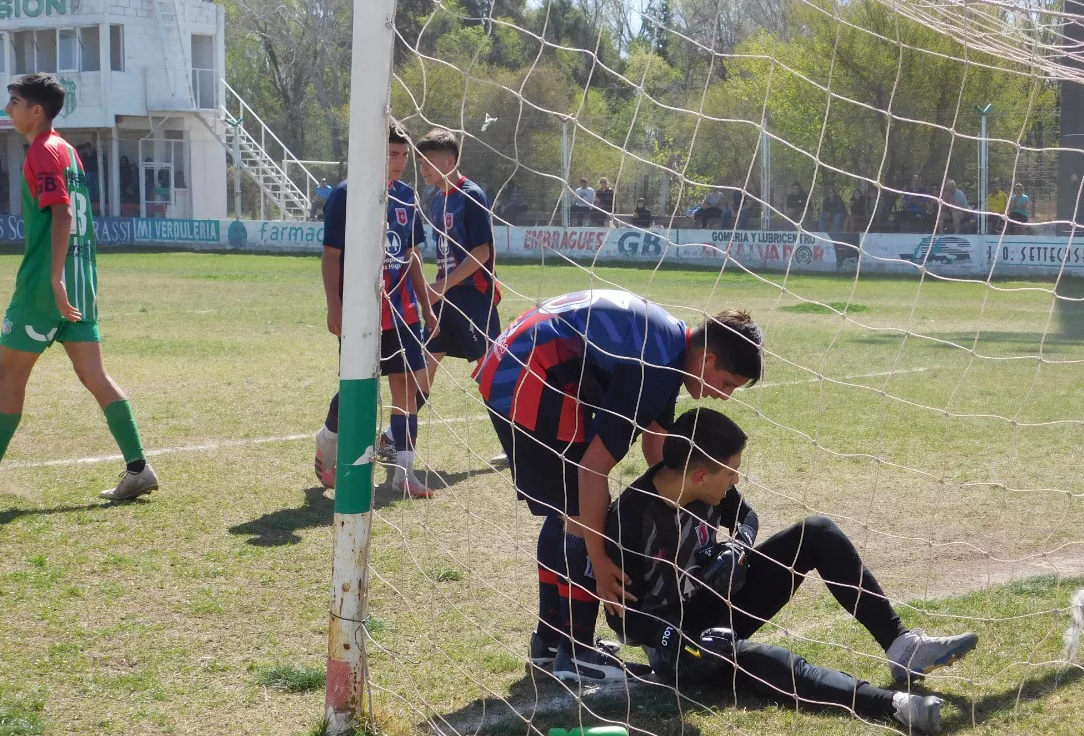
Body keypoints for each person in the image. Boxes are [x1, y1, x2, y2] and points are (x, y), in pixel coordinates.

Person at [605, 408, 977, 732]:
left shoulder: (701, 481)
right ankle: (893, 705)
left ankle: (903, 647)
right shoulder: (631, 518)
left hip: (716, 602)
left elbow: (747, 517)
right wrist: (679, 643)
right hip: (678, 643)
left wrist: (739, 546)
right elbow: (623, 621)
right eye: (731, 472)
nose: (735, 480)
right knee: (760, 661)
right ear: (701, 476)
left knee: (816, 532)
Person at [475, 289, 763, 682]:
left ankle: (551, 640)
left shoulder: (671, 348)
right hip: (529, 372)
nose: (724, 395)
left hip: (517, 361)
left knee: (567, 508)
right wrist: (600, 557)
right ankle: (575, 652)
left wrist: (688, 498)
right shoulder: (657, 367)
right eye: (727, 382)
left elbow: (658, 447)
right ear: (708, 358)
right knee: (579, 512)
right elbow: (593, 469)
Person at [0, 74, 156, 500]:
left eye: (14, 101)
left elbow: (62, 214)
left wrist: (53, 278)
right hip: (82, 285)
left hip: (46, 289)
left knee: (9, 377)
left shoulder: (43, 151)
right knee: (95, 376)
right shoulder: (67, 151)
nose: (8, 108)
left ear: (37, 111)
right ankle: (138, 469)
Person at [313, 121, 437, 498]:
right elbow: (332, 256)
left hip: (402, 313)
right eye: (391, 154)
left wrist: (426, 303)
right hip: (362, 313)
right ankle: (328, 443)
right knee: (358, 391)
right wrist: (335, 305)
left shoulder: (406, 196)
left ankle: (404, 473)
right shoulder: (346, 195)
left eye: (403, 155)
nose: (399, 162)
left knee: (410, 388)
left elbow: (412, 254)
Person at [395, 126, 502, 451]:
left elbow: (482, 252)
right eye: (421, 163)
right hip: (444, 300)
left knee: (492, 377)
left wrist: (441, 285)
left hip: (472, 300)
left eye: (428, 162)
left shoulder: (471, 195)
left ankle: (519, 444)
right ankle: (396, 439)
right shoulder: (437, 198)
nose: (423, 169)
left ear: (449, 161)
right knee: (421, 368)